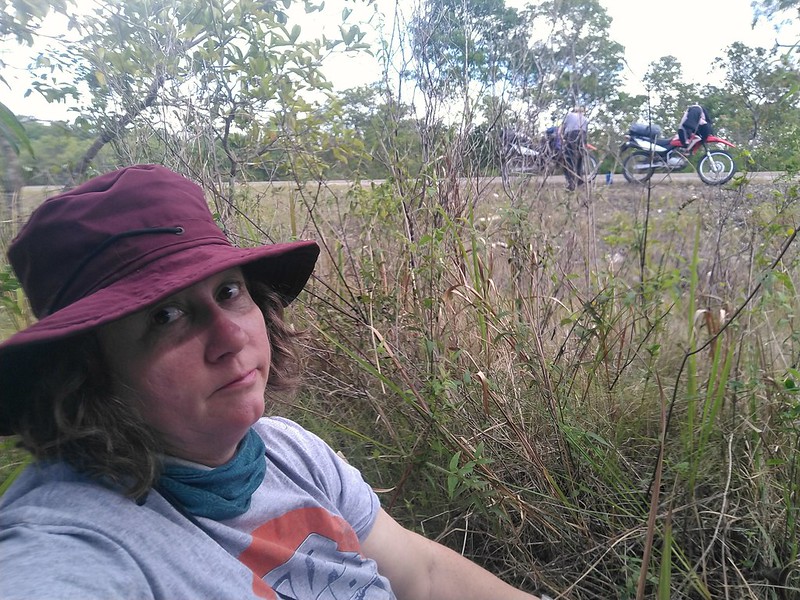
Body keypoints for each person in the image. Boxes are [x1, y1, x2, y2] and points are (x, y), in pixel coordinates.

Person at [0, 164, 543, 600]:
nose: (230, 335)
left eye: (230, 291)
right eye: (166, 316)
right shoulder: (78, 542)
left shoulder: (289, 452)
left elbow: (422, 576)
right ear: (84, 374)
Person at [560, 105, 588, 192]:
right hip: (583, 136)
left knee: (568, 160)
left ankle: (571, 183)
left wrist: (561, 138)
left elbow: (562, 128)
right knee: (579, 158)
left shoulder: (569, 115)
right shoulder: (585, 119)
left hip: (571, 136)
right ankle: (579, 181)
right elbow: (586, 131)